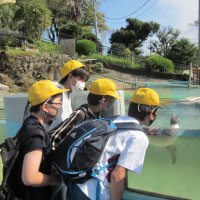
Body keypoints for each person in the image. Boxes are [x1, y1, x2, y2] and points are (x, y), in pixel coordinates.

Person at [67, 87, 160, 200]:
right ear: (151, 113)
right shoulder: (139, 138)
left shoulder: (113, 120)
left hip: (77, 184)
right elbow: (117, 175)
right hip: (93, 193)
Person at [8, 80, 68, 200]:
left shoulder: (28, 124)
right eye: (58, 103)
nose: (59, 107)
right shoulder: (36, 134)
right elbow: (30, 177)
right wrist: (55, 180)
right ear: (45, 106)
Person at [46, 59, 90, 131]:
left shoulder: (68, 95)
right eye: (81, 78)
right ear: (70, 76)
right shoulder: (56, 93)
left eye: (85, 80)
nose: (83, 83)